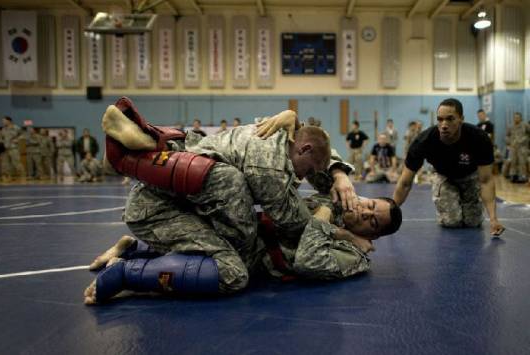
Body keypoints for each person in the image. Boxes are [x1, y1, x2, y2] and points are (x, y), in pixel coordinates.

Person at [83, 97, 384, 303]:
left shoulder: (354, 252)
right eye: (370, 204)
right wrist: (340, 175)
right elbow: (316, 158)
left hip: (180, 201)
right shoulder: (315, 192)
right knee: (231, 270)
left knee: (224, 189)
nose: (364, 209)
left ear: (374, 235)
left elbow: (307, 254)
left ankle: (137, 246)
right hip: (171, 201)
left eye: (372, 220)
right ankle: (127, 274)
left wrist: (339, 229)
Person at [393, 98, 504, 236]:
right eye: (440, 119)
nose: (444, 124)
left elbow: (486, 181)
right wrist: (392, 212)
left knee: (473, 223)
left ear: (461, 119)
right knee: (452, 222)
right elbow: (405, 183)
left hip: (470, 177)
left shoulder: (479, 139)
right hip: (444, 178)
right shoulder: (424, 141)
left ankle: (469, 205)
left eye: (450, 119)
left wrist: (493, 219)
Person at [506, 112, 529, 183]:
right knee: (513, 162)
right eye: (515, 117)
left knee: (522, 162)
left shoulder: (525, 125)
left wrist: (525, 139)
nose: (516, 119)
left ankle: (523, 176)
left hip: (522, 147)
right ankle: (513, 175)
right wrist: (509, 142)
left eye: (518, 117)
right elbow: (507, 136)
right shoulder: (510, 126)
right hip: (513, 147)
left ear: (521, 118)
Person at [0, 116, 25, 181]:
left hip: (13, 148)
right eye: (2, 121)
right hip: (5, 148)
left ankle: (22, 175)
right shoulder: (3, 129)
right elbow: (2, 137)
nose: (3, 122)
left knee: (16, 162)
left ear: (9, 121)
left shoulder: (16, 127)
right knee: (5, 164)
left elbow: (23, 135)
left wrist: (17, 139)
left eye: (4, 120)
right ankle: (8, 176)